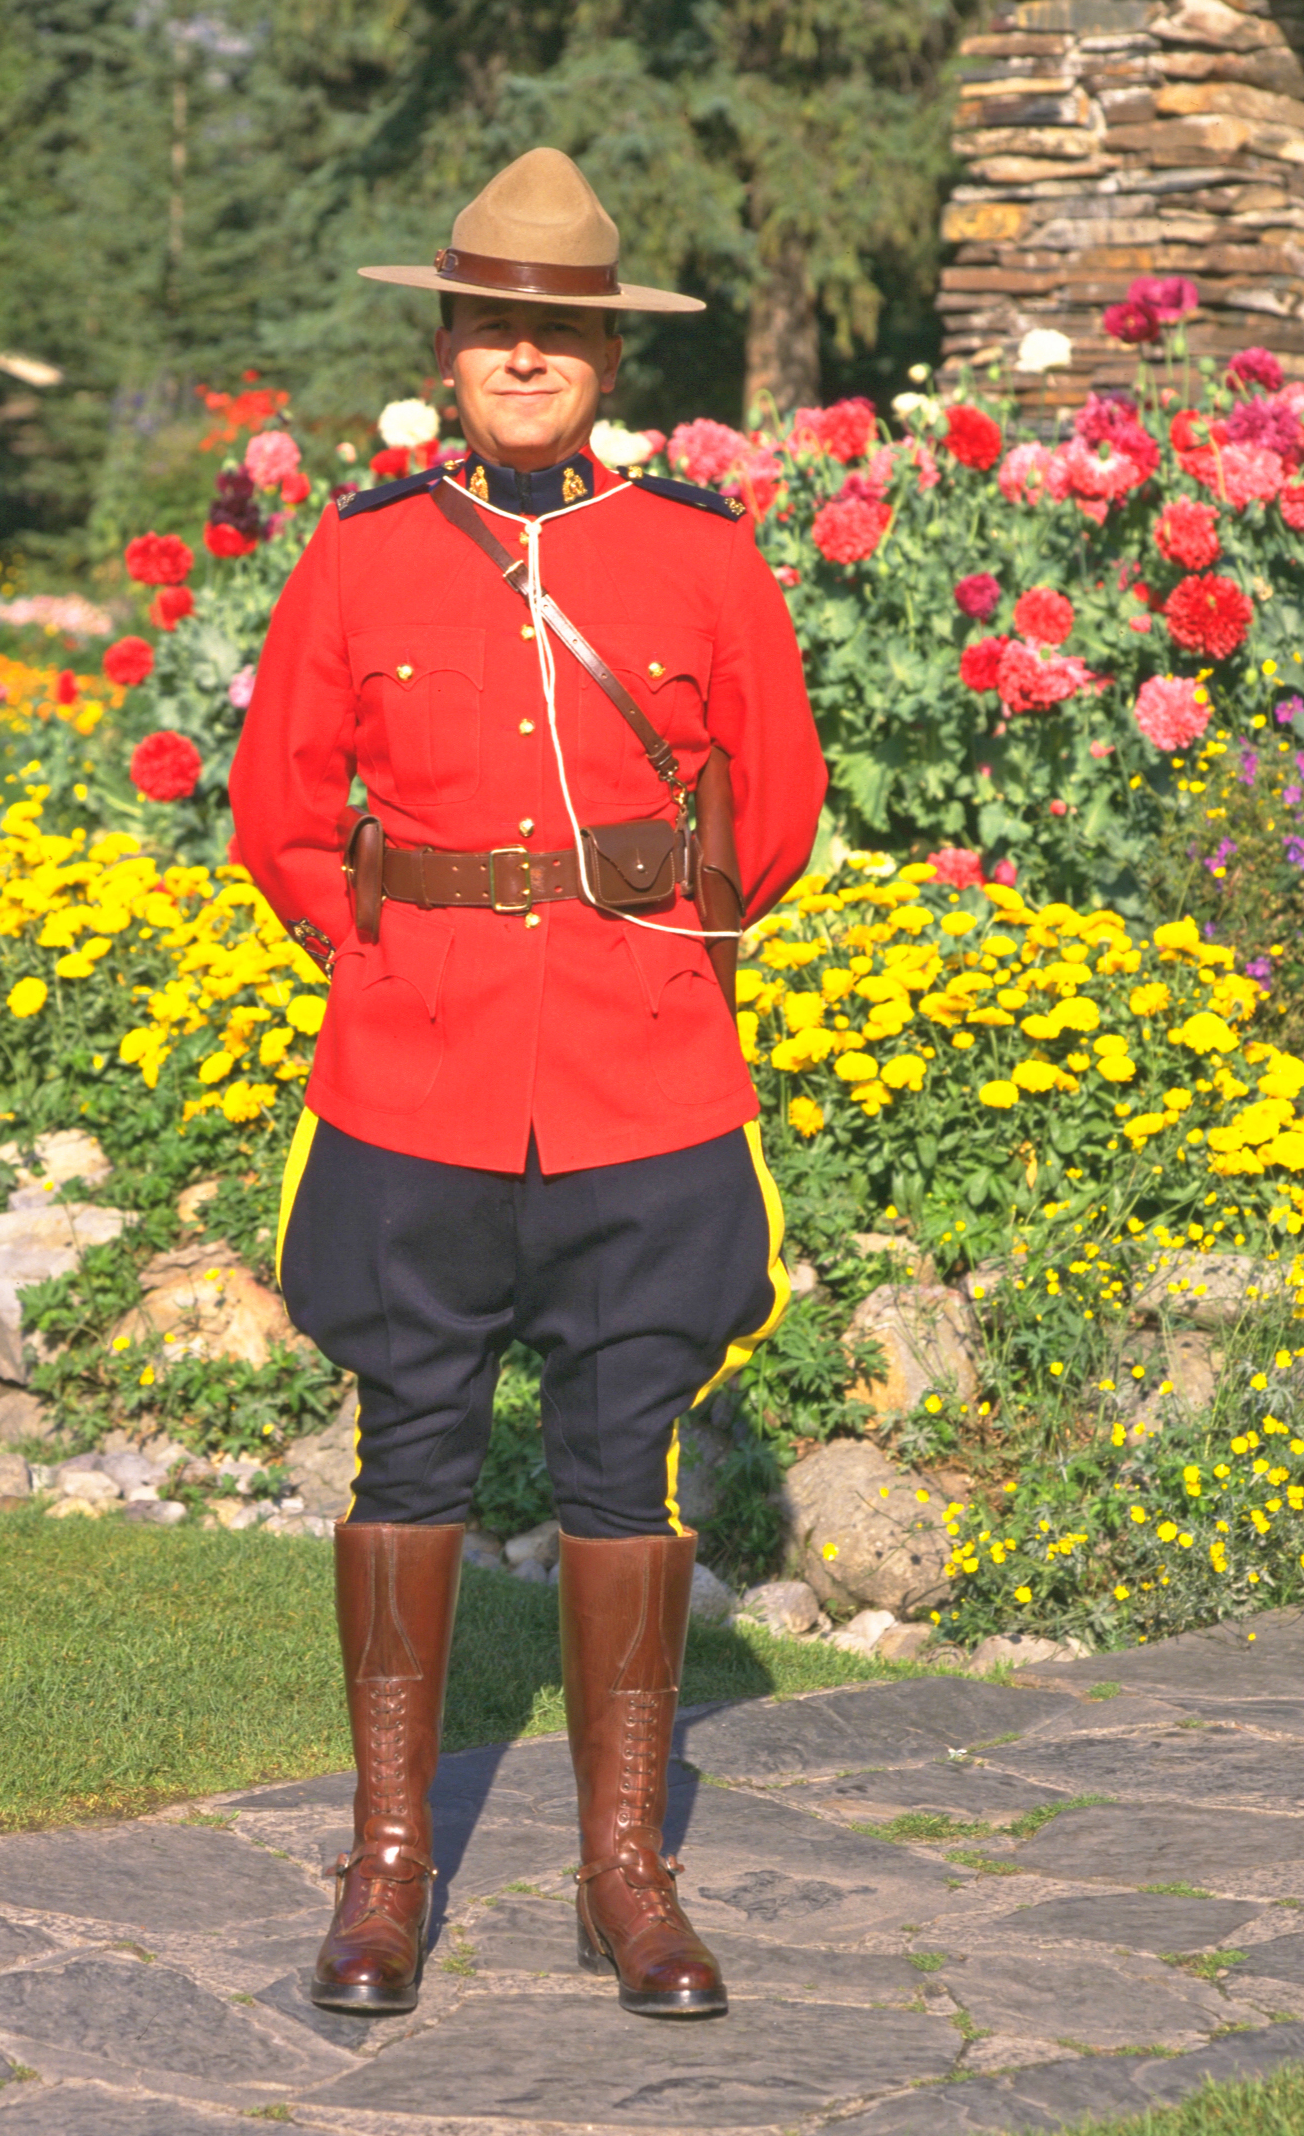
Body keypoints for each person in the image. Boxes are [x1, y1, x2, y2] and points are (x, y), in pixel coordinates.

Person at [229, 146, 826, 2023]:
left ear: (603, 359)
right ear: (451, 341)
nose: (525, 355)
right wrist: (381, 957)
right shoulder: (362, 552)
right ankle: (388, 1871)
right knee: (403, 1454)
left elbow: (780, 805)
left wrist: (660, 949)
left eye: (559, 330)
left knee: (618, 1473)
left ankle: (626, 1879)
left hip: (646, 1081)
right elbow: (278, 808)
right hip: (414, 1081)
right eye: (495, 325)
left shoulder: (700, 558)